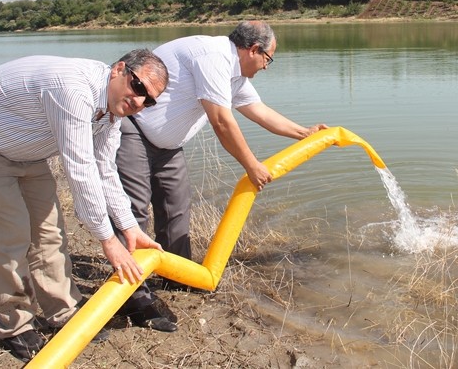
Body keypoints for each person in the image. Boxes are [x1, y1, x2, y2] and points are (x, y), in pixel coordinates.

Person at [0, 50, 169, 362]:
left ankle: (63, 311)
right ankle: (14, 325)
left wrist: (128, 226)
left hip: (26, 151)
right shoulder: (74, 89)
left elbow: (105, 168)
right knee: (11, 237)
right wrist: (108, 240)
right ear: (119, 70)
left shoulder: (113, 110)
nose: (140, 102)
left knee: (50, 234)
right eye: (139, 88)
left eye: (149, 100)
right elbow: (81, 169)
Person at [115, 21, 328, 324]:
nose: (267, 67)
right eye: (268, 59)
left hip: (167, 145)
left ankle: (176, 275)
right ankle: (133, 298)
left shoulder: (234, 75)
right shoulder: (213, 56)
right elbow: (221, 121)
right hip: (134, 129)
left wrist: (305, 133)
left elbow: (259, 111)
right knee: (134, 211)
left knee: (176, 207)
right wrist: (252, 165)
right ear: (254, 49)